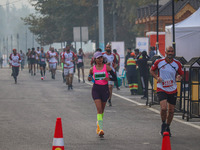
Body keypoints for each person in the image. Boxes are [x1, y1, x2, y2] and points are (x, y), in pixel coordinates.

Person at [150, 46, 184, 136]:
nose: (170, 53)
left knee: (172, 110)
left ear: (173, 52)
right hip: (162, 88)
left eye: (172, 51)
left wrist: (179, 77)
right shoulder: (159, 62)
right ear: (165, 52)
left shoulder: (177, 63)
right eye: (168, 51)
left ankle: (168, 126)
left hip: (172, 89)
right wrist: (157, 77)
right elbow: (151, 70)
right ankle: (163, 123)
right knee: (164, 108)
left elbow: (182, 74)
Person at [88, 51, 117, 137]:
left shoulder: (107, 67)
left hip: (105, 90)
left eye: (101, 58)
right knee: (99, 110)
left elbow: (114, 77)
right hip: (96, 89)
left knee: (102, 110)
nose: (100, 59)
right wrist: (89, 78)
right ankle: (100, 129)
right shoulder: (92, 69)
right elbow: (89, 77)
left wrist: (108, 78)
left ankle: (98, 123)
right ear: (95, 59)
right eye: (98, 58)